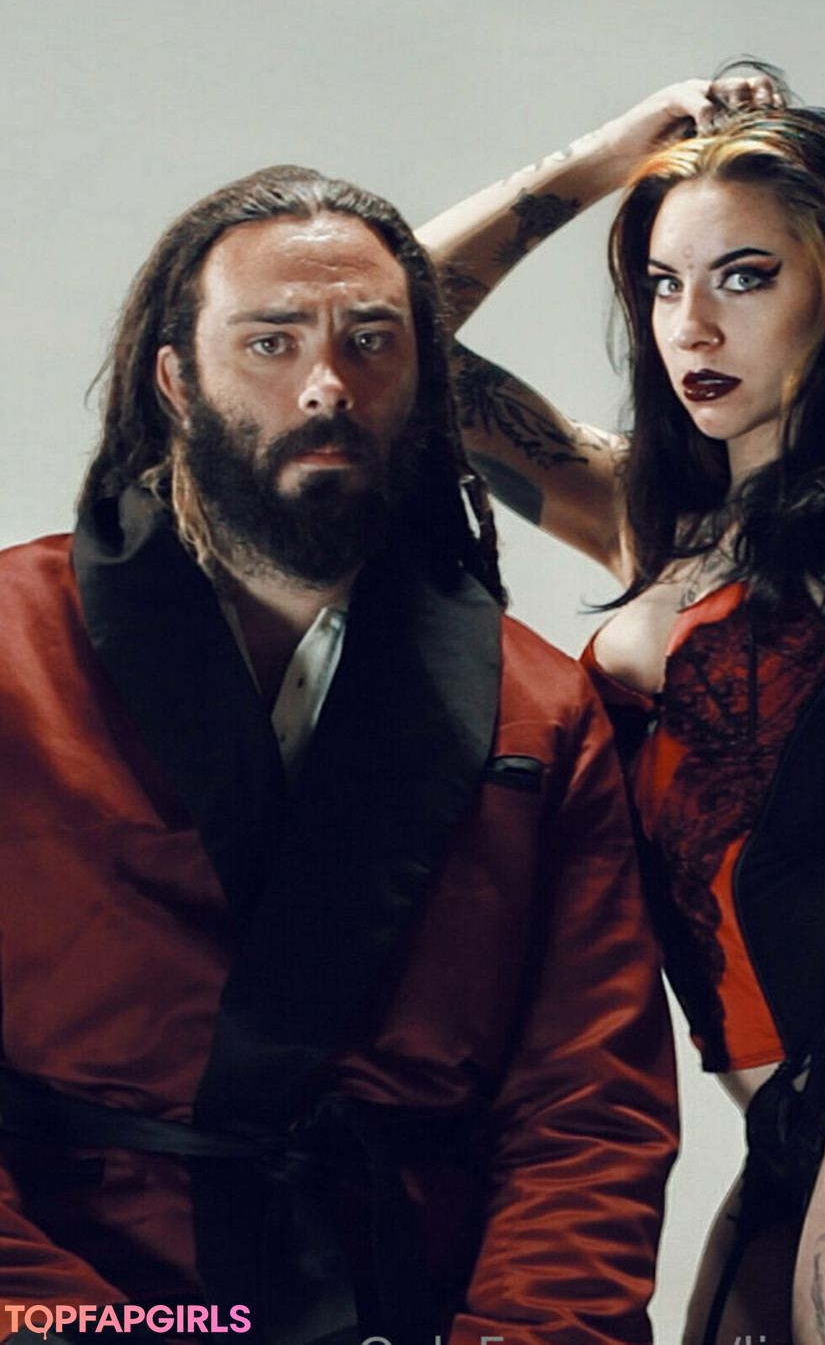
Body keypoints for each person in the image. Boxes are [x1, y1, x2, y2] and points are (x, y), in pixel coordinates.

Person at [418, 70, 825, 1343]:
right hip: (787, 1115)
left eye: (746, 277)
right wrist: (610, 155)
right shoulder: (649, 520)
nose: (695, 328)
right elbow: (385, 330)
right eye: (663, 284)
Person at [0, 167, 679, 1345]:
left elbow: (589, 1110)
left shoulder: (537, 705)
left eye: (372, 343)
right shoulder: (15, 645)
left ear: (424, 387)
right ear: (177, 381)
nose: (327, 386)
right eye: (271, 342)